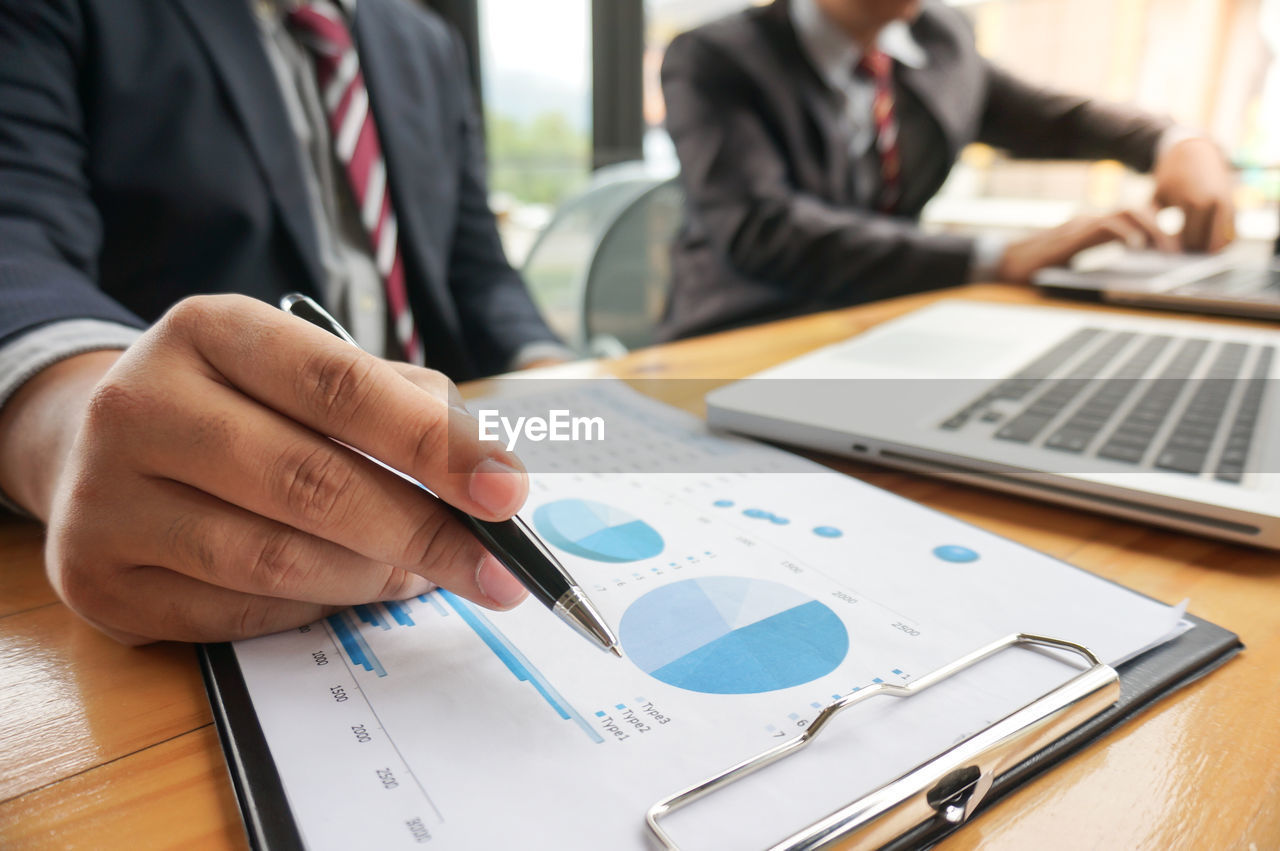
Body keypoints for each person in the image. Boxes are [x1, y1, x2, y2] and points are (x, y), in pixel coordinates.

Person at [0, 0, 573, 642]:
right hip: (219, 498)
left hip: (437, 450)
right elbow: (13, 236)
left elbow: (475, 263)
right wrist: (68, 417)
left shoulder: (425, 39)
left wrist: (549, 364)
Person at [658, 0, 1238, 340]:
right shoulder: (715, 57)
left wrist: (1178, 143)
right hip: (748, 331)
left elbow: (1062, 121)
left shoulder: (941, 38)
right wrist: (995, 258)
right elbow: (763, 229)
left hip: (889, 324)